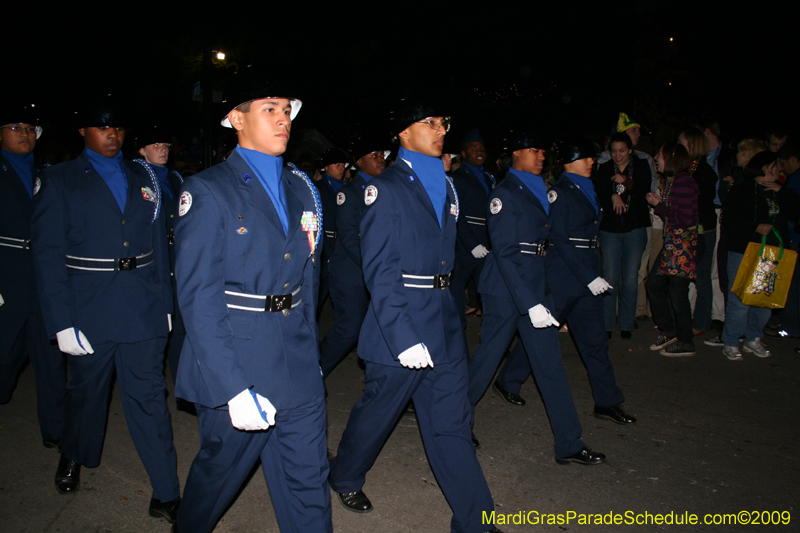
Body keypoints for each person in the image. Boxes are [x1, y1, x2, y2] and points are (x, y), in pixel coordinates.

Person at [328, 101, 500, 533]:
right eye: (430, 122)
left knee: (452, 424)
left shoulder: (446, 183)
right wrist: (403, 337)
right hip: (399, 323)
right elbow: (381, 270)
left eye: (444, 121)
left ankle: (475, 522)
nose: (440, 129)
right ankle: (345, 474)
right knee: (378, 410)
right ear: (403, 134)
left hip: (442, 318)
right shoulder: (385, 189)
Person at [173, 77, 331, 533]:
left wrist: (310, 354)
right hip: (238, 360)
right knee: (217, 477)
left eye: (286, 109)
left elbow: (307, 277)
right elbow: (199, 297)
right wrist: (231, 387)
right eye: (269, 108)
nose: (283, 118)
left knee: (308, 480)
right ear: (236, 119)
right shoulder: (207, 191)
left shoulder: (301, 190)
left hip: (296, 360)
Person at [30, 102, 180, 523]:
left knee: (150, 399)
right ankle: (74, 453)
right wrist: (60, 322)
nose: (111, 134)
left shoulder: (143, 175)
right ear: (82, 131)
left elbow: (158, 246)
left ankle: (166, 491)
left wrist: (165, 305)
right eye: (101, 127)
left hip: (142, 307)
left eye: (117, 127)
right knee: (86, 395)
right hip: (89, 309)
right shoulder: (58, 180)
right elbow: (47, 256)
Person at [467, 130, 606, 465]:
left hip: (534, 283)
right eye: (534, 150)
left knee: (550, 365)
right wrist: (529, 303)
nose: (541, 155)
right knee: (486, 362)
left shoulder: (539, 187)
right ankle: (453, 421)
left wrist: (539, 296)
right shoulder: (504, 193)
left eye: (544, 150)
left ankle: (569, 443)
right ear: (516, 154)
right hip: (505, 288)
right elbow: (504, 251)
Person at [497, 137, 636, 426]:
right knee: (540, 339)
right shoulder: (558, 193)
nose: (591, 162)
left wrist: (591, 276)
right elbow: (559, 238)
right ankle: (508, 380)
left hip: (587, 278)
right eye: (586, 158)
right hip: (563, 277)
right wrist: (589, 277)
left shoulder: (590, 189)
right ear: (571, 160)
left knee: (595, 343)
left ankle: (607, 400)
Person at [0, 107, 68, 451]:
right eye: (15, 127)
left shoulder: (48, 174)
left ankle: (55, 431)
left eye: (29, 128)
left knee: (51, 363)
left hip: (43, 283)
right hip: (7, 283)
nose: (24, 134)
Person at [717, 151, 800, 360]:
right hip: (744, 251)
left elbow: (796, 211)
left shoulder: (779, 191)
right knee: (739, 298)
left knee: (763, 297)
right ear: (763, 167)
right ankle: (732, 340)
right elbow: (730, 220)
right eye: (774, 165)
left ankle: (754, 338)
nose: (778, 169)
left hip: (771, 252)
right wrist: (755, 227)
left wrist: (782, 190)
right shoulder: (743, 189)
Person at [318, 135, 387, 378]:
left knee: (380, 330)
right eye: (375, 156)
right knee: (349, 330)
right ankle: (313, 373)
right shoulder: (349, 195)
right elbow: (349, 238)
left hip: (378, 273)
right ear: (359, 162)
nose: (381, 160)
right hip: (352, 275)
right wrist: (376, 267)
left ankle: (384, 383)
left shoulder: (387, 190)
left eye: (382, 156)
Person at [133, 130, 186, 383]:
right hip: (154, 261)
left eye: (165, 143)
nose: (163, 149)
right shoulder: (135, 177)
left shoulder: (175, 178)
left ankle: (182, 383)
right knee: (158, 330)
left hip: (179, 260)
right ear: (141, 150)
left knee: (182, 328)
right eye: (155, 144)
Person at [646, 142, 700, 357]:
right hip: (674, 243)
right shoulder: (674, 182)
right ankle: (670, 330)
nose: (656, 158)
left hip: (681, 245)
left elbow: (685, 219)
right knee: (655, 284)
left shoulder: (683, 182)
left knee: (677, 293)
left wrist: (659, 206)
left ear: (670, 158)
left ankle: (686, 341)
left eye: (659, 155)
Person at [596, 132, 651, 338]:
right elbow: (599, 191)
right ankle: (608, 324)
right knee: (609, 277)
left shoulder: (642, 166)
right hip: (610, 230)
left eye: (622, 151)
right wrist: (612, 195)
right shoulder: (604, 168)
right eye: (614, 151)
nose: (618, 156)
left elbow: (643, 190)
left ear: (630, 150)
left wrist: (626, 181)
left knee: (629, 278)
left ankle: (627, 323)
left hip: (634, 228)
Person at [450, 129, 495, 327]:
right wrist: (471, 244)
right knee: (456, 296)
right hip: (463, 247)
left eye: (482, 148)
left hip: (486, 244)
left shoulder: (488, 178)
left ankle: (493, 341)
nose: (479, 152)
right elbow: (456, 216)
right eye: (473, 148)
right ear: (464, 153)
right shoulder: (457, 178)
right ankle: (455, 341)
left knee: (490, 296)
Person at [678, 128, 718, 336]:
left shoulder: (704, 172)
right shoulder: (688, 169)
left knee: (702, 279)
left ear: (692, 145)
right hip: (690, 229)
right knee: (681, 278)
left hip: (702, 231)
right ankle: (683, 320)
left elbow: (702, 205)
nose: (678, 146)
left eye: (681, 142)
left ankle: (700, 323)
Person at [314, 147, 349, 315]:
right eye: (337, 164)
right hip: (325, 245)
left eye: (343, 164)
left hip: (343, 245)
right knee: (319, 293)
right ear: (325, 167)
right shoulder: (317, 188)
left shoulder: (347, 188)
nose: (341, 168)